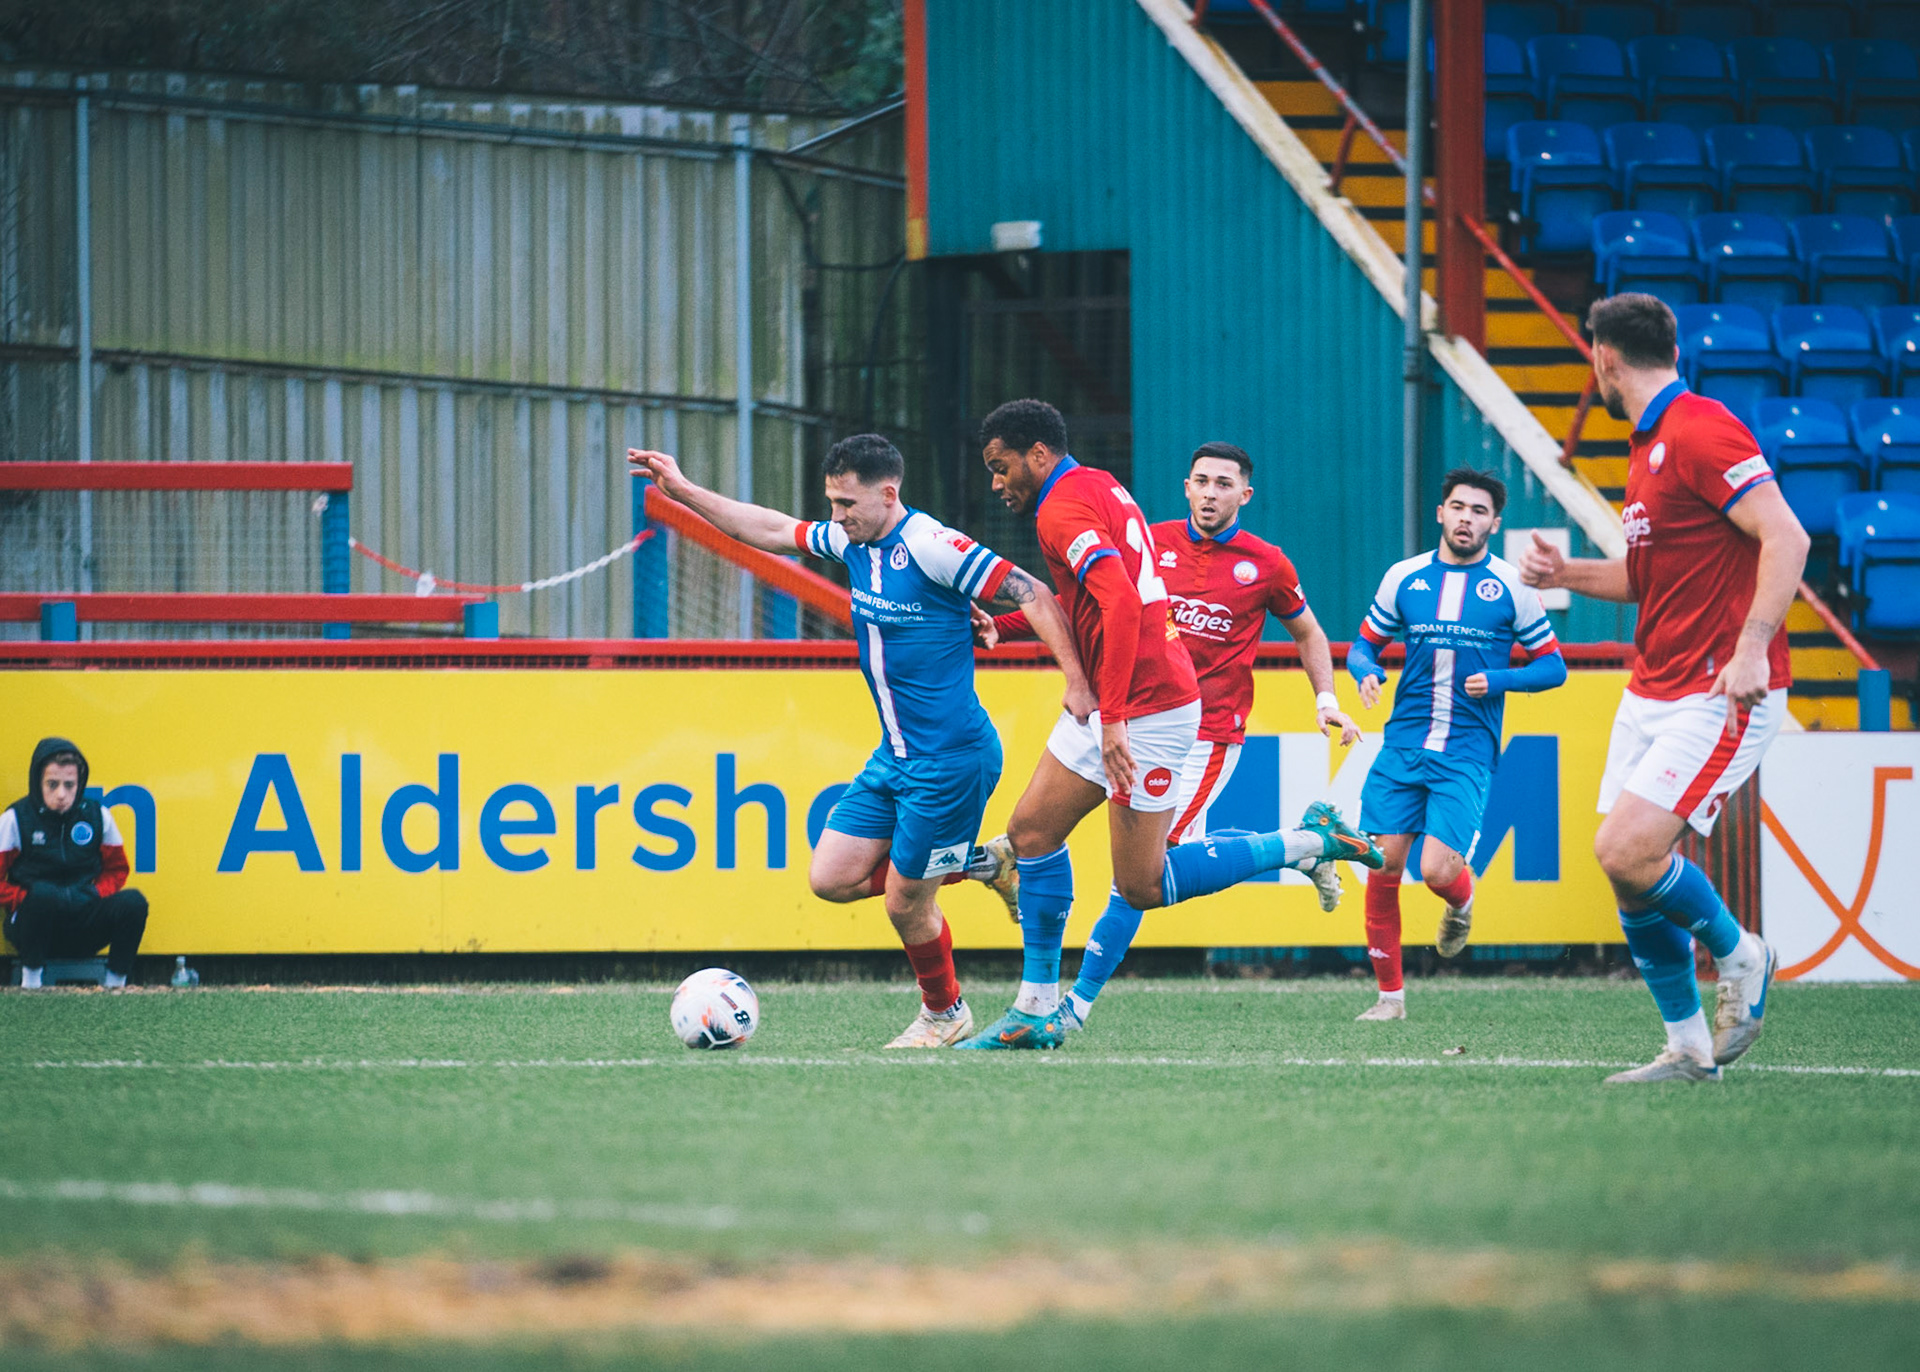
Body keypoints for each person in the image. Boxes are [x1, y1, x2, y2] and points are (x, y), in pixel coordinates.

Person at [630, 434, 1094, 1049]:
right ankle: (988, 863)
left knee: (904, 901)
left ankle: (945, 1014)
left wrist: (1076, 681)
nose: (837, 515)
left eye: (847, 503)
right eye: (832, 502)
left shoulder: (932, 546)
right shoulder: (851, 539)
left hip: (950, 762)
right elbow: (770, 529)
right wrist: (684, 491)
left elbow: (1033, 592)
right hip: (894, 757)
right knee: (831, 878)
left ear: (888, 494)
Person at [960, 400, 1384, 1050]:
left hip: (1155, 711)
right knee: (1032, 833)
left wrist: (1114, 717)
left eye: (1000, 467)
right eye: (1201, 481)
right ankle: (1035, 1009)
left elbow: (1121, 601)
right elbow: (1087, 603)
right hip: (1118, 701)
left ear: (1037, 456)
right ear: (1186, 487)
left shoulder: (1066, 509)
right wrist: (1009, 628)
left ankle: (1306, 842)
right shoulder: (1099, 487)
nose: (996, 482)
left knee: (1141, 883)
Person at [1520, 293, 1806, 1084]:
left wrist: (1752, 649)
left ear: (1603, 358)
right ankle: (1688, 1050)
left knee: (1626, 849)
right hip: (1654, 688)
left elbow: (1787, 536)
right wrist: (1565, 574)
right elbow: (1649, 579)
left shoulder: (1699, 428)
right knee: (1627, 870)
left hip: (1722, 690)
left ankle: (1742, 956)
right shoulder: (1650, 446)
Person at [1347, 469, 1569, 1021]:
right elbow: (1362, 647)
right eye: (1458, 507)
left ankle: (1461, 901)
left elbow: (1554, 668)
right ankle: (1390, 1000)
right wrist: (1366, 670)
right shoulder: (1404, 577)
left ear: (1495, 523)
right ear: (1440, 513)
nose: (1466, 518)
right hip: (1403, 744)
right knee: (1382, 866)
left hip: (1466, 751)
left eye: (1479, 511)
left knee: (1439, 871)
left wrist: (1499, 680)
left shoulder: (1512, 587)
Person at [2, 737, 149, 989]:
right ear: (37, 782)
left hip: (82, 920)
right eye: (52, 784)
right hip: (33, 925)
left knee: (134, 902)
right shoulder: (15, 819)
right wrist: (23, 898)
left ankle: (116, 986)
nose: (61, 794)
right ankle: (31, 984)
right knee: (43, 894)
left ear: (79, 784)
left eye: (69, 785)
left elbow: (118, 870)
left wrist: (95, 893)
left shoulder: (98, 816)